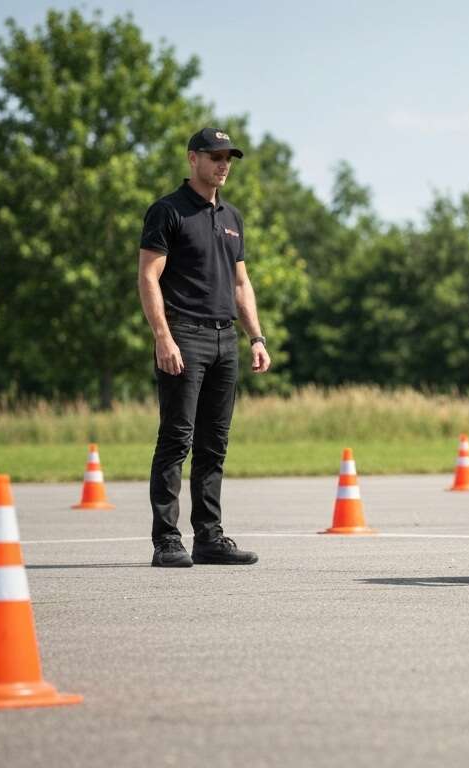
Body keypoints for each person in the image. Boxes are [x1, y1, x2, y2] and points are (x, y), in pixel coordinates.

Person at [137, 128, 270, 567]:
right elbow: (148, 277)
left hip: (224, 339)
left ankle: (209, 538)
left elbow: (240, 283)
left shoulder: (231, 216)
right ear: (192, 158)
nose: (223, 164)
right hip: (184, 335)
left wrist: (256, 337)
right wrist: (163, 336)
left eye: (228, 157)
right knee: (177, 438)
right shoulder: (167, 211)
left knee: (215, 443)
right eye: (214, 156)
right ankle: (167, 540)